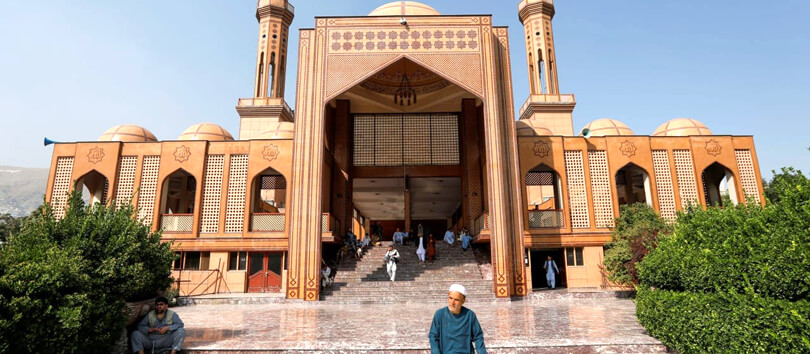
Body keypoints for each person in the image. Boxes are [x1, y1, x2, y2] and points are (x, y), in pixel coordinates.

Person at [428, 284, 487, 354]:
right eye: (450, 298)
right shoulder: (439, 315)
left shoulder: (470, 315)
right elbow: (433, 336)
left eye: (456, 300)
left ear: (463, 301)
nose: (452, 302)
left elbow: (478, 337)